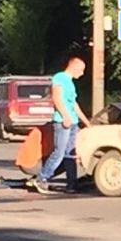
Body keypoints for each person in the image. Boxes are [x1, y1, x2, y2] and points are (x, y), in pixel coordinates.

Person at [32, 57, 92, 194]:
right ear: (74, 67)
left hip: (73, 123)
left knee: (71, 154)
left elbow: (74, 104)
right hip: (62, 121)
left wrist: (86, 122)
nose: (82, 73)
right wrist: (65, 116)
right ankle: (42, 178)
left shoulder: (71, 83)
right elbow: (56, 98)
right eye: (81, 70)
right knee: (59, 152)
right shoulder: (59, 78)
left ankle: (72, 183)